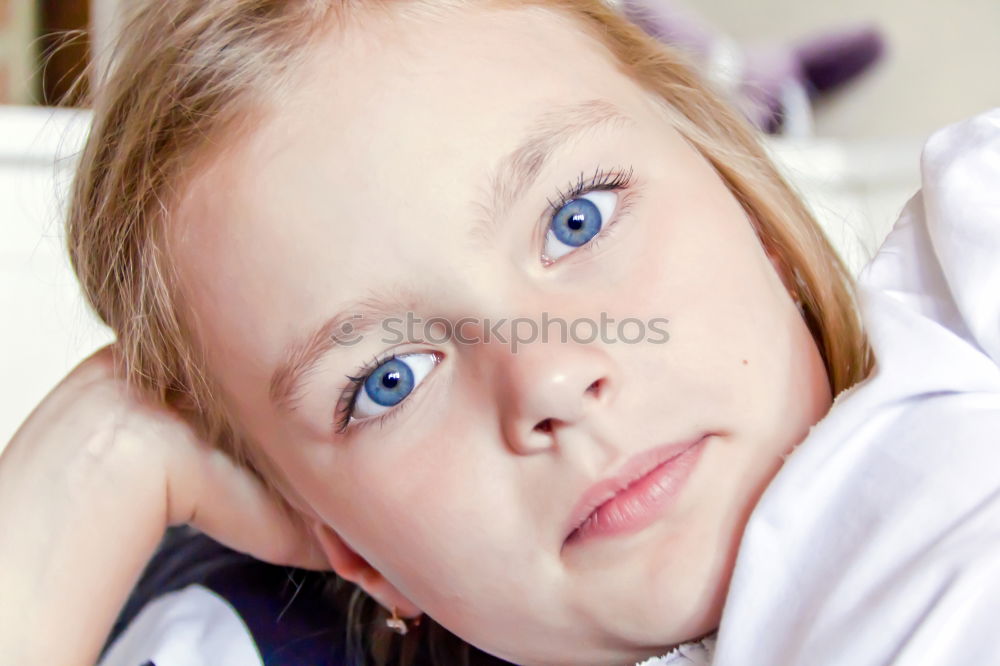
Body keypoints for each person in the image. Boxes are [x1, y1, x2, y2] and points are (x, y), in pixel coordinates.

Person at [3, 0, 995, 664]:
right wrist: (105, 448)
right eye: (389, 377)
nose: (550, 380)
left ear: (748, 213)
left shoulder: (956, 313)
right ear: (355, 553)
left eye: (579, 218)